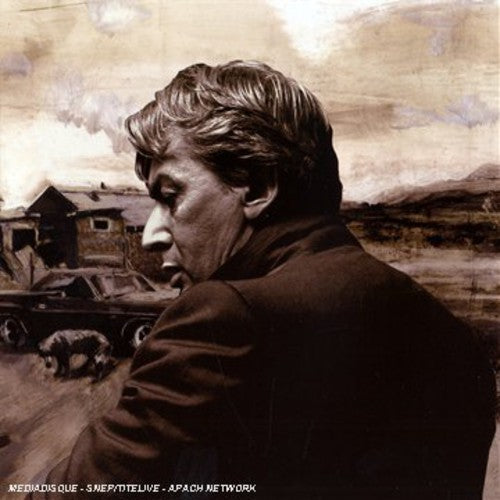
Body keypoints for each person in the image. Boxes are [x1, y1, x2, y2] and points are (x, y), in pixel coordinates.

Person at [29, 61, 495, 499]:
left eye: (170, 196)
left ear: (257, 187)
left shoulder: (222, 317)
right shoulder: (453, 336)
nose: (151, 235)